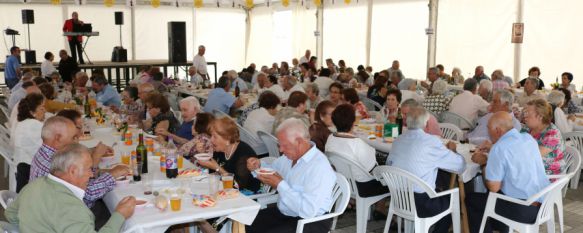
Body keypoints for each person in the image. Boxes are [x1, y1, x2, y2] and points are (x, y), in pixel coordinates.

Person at [7, 143, 136, 232]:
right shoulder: (71, 208)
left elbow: (10, 214)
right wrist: (120, 214)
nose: (92, 174)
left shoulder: (34, 185)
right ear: (73, 171)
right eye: (89, 169)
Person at [246, 118, 336, 233]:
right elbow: (272, 170)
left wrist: (280, 184)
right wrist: (257, 166)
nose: (281, 150)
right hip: (285, 213)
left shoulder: (319, 167)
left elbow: (308, 210)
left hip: (311, 221)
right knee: (244, 224)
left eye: (284, 145)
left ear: (299, 142)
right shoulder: (288, 158)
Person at [467, 112, 550, 233]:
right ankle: (502, 228)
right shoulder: (527, 138)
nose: (488, 133)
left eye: (488, 129)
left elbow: (493, 187)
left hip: (523, 210)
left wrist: (484, 163)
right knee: (491, 197)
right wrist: (492, 152)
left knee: (471, 199)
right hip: (543, 204)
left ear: (498, 131)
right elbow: (514, 157)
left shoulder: (499, 148)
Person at [387, 106, 465, 233]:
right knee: (454, 199)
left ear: (407, 121)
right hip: (421, 205)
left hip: (398, 199)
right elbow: (460, 166)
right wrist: (453, 150)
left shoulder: (398, 139)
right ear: (426, 123)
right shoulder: (431, 142)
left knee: (438, 184)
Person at [29, 116, 129, 210]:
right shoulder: (53, 164)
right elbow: (87, 194)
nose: (77, 141)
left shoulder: (44, 153)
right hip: (65, 219)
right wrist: (112, 174)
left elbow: (83, 181)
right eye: (73, 137)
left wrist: (92, 153)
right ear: (58, 138)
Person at [325, 104, 388, 214]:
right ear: (353, 122)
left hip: (343, 181)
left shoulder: (331, 138)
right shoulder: (357, 143)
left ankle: (356, 203)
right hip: (362, 186)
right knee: (387, 174)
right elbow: (373, 169)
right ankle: (381, 208)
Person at [198, 117, 260, 192]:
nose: (211, 140)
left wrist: (217, 168)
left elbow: (238, 186)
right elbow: (213, 173)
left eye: (215, 137)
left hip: (246, 195)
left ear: (227, 139)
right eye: (211, 136)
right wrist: (203, 155)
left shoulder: (244, 154)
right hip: (225, 190)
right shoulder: (220, 149)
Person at [522, 99, 566, 175]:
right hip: (529, 171)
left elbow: (532, 155)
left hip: (548, 176)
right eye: (525, 112)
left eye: (527, 113)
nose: (524, 116)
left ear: (540, 116)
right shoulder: (527, 128)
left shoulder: (552, 134)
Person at [13, 93, 46, 192]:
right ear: (32, 112)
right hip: (30, 173)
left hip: (24, 169)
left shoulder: (26, 122)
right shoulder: (33, 125)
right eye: (41, 108)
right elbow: (48, 148)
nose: (45, 111)